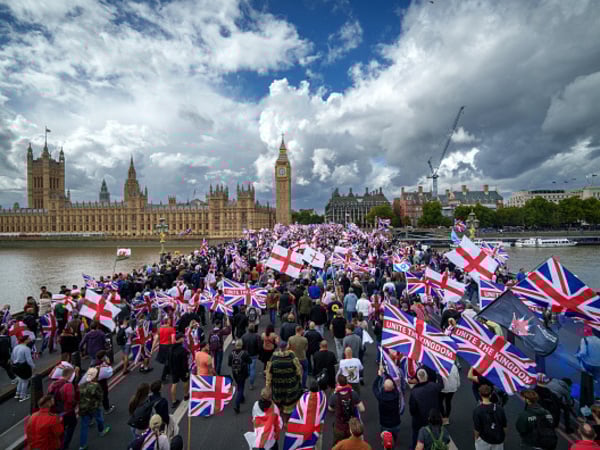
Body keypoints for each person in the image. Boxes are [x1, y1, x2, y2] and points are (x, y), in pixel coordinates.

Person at [265, 340, 302, 420]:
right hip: (290, 384)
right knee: (288, 404)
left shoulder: (273, 358)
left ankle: (278, 418)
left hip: (277, 385)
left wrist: (268, 385)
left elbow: (269, 372)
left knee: (278, 401)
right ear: (287, 347)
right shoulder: (291, 356)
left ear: (279, 348)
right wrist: (299, 379)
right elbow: (298, 369)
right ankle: (286, 420)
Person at [409, 369, 442, 450]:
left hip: (419, 420)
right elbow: (441, 385)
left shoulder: (414, 392)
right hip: (433, 417)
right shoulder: (434, 386)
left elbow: (412, 409)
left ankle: (414, 447)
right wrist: (439, 373)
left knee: (416, 435)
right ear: (427, 377)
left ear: (418, 378)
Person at [47, 366, 79, 449]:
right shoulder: (68, 385)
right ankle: (65, 445)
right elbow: (70, 400)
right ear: (70, 375)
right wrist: (75, 403)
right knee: (72, 424)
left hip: (55, 412)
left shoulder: (53, 384)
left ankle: (60, 443)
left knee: (61, 428)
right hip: (67, 411)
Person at [79, 367, 111, 448]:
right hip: (94, 407)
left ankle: (82, 445)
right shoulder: (96, 385)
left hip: (83, 407)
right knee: (99, 419)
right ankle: (101, 431)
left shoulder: (82, 385)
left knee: (84, 426)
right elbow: (100, 396)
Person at [328, 374, 365, 445]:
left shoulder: (334, 396)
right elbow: (362, 409)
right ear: (347, 382)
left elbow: (330, 408)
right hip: (351, 427)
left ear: (338, 383)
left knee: (337, 445)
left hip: (339, 427)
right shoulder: (353, 394)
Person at [473, 384, 507, 450]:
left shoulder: (477, 410)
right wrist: (504, 436)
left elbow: (477, 428)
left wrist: (476, 438)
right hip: (498, 439)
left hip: (484, 439)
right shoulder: (500, 409)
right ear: (490, 395)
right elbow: (504, 426)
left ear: (480, 394)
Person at [372, 368, 401, 445]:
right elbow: (394, 384)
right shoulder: (396, 395)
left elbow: (374, 387)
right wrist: (387, 374)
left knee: (386, 442)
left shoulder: (381, 397)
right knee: (394, 439)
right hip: (395, 423)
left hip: (385, 424)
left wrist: (379, 375)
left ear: (384, 387)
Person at [228, 339, 251, 414]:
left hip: (235, 373)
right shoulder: (244, 353)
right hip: (243, 373)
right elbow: (250, 361)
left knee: (239, 385)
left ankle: (242, 398)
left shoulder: (231, 354)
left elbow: (229, 364)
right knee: (241, 387)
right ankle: (237, 404)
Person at [169, 332, 190, 410]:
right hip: (182, 370)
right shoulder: (183, 350)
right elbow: (184, 363)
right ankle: (186, 395)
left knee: (174, 384)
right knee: (185, 381)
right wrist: (187, 371)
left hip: (174, 369)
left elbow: (169, 360)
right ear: (180, 339)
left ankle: (174, 401)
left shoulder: (171, 348)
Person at [12, 334, 34, 402]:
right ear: (26, 340)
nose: (30, 339)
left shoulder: (16, 347)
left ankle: (17, 393)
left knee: (20, 379)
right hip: (23, 366)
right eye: (29, 338)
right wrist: (33, 366)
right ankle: (23, 396)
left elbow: (12, 357)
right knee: (25, 381)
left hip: (15, 366)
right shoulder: (26, 349)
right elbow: (29, 360)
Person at [154, 317, 176, 382]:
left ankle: (169, 372)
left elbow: (156, 339)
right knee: (168, 361)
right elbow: (173, 340)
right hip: (168, 346)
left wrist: (152, 348)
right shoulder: (171, 329)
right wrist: (174, 346)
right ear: (168, 322)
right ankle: (163, 377)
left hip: (161, 346)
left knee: (167, 360)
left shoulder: (159, 329)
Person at [241, 324, 261, 390]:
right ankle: (251, 384)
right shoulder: (257, 336)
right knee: (252, 369)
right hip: (254, 355)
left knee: (248, 367)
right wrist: (258, 353)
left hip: (246, 355)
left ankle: (248, 375)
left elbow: (242, 346)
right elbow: (259, 346)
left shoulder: (244, 336)